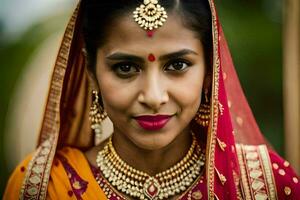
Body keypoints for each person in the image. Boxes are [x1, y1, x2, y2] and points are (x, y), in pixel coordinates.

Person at [4, 0, 300, 199]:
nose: (154, 97)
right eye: (126, 68)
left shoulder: (263, 185)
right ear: (91, 72)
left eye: (177, 65)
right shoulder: (45, 187)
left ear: (211, 69)